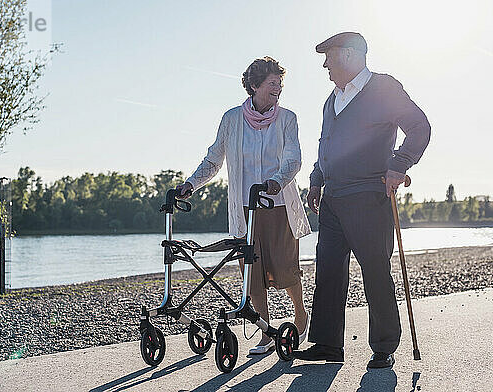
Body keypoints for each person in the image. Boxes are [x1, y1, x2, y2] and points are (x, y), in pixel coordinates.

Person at [296, 32, 431, 368]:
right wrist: (315, 181)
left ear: (351, 55)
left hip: (368, 194)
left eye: (329, 56)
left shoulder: (383, 88)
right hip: (332, 199)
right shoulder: (332, 100)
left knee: (375, 270)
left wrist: (398, 165)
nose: (325, 64)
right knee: (328, 270)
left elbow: (419, 126)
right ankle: (327, 344)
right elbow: (325, 146)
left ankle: (383, 347)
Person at [176, 57, 312, 354]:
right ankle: (264, 332)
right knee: (252, 271)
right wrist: (190, 185)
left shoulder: (287, 118)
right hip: (244, 208)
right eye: (271, 83)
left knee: (285, 267)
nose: (277, 88)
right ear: (254, 85)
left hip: (277, 205)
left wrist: (277, 180)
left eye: (280, 83)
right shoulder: (231, 119)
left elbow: (293, 157)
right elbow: (214, 159)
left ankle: (301, 314)